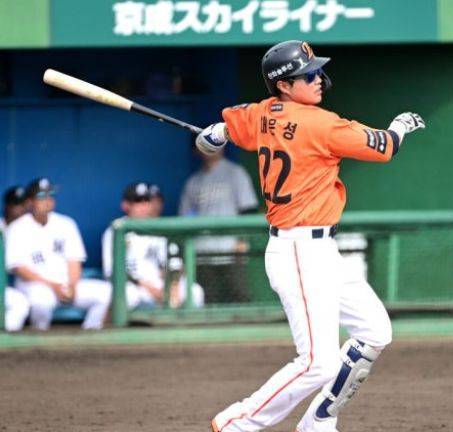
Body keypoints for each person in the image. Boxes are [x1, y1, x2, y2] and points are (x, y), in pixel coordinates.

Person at [196, 40, 425, 432]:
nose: (318, 78)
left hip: (320, 250)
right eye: (307, 74)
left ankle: (319, 420)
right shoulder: (322, 124)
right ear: (284, 85)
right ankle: (237, 423)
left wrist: (216, 133)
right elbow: (386, 146)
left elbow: (224, 129)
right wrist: (400, 125)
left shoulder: (262, 113)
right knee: (318, 362)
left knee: (375, 330)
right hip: (298, 250)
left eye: (317, 71)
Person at [4, 178, 111, 330]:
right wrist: (53, 286)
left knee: (107, 293)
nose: (48, 200)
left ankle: (90, 333)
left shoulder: (66, 223)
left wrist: (72, 285)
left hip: (66, 285)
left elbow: (74, 260)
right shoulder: (17, 228)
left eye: (50, 195)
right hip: (36, 285)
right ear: (29, 202)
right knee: (41, 301)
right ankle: (39, 337)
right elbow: (19, 268)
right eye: (41, 196)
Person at [102, 182, 204, 310]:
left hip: (160, 285)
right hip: (135, 287)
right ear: (126, 205)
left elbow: (173, 264)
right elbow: (111, 272)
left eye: (147, 201)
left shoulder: (157, 229)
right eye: (138, 201)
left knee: (195, 291)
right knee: (129, 294)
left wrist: (173, 285)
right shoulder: (115, 230)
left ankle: (188, 324)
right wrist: (149, 288)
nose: (144, 206)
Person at [179, 142, 259, 303]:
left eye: (214, 143)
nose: (211, 149)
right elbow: (185, 218)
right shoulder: (194, 181)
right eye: (204, 144)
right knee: (208, 300)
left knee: (240, 296)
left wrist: (242, 240)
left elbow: (249, 209)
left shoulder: (235, 173)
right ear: (196, 150)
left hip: (231, 248)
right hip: (203, 252)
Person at [1, 186, 30, 332]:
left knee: (20, 303)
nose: (21, 209)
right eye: (17, 205)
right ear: (7, 207)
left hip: (15, 286)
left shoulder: (30, 229)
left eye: (23, 205)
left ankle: (5, 338)